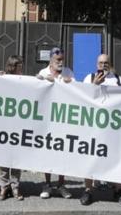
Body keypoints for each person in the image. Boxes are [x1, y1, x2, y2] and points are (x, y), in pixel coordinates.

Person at [80, 53, 121, 206]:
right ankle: (88, 190)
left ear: (110, 64)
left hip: (113, 127)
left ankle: (118, 190)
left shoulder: (118, 79)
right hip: (94, 125)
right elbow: (82, 98)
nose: (103, 65)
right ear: (96, 65)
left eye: (106, 63)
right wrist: (94, 85)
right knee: (90, 157)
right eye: (100, 63)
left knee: (116, 157)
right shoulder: (89, 77)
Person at [37, 47, 75, 199]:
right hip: (47, 118)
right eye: (58, 60)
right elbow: (36, 87)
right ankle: (47, 184)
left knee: (62, 152)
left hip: (63, 118)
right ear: (51, 60)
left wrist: (65, 81)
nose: (60, 62)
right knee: (47, 151)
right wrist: (40, 80)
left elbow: (76, 88)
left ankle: (61, 184)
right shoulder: (43, 72)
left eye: (62, 60)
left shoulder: (68, 72)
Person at [0, 55, 26, 200]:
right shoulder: (3, 78)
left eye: (21, 65)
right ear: (12, 66)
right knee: (3, 157)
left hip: (18, 125)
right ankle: (4, 186)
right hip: (4, 124)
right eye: (18, 66)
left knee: (16, 157)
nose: (21, 68)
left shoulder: (25, 80)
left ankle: (15, 187)